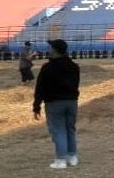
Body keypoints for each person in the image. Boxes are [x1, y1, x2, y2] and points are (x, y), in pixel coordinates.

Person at [32, 39, 80, 169]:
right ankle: (72, 156)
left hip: (54, 102)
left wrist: (36, 106)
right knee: (70, 129)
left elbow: (40, 88)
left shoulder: (47, 67)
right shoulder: (74, 66)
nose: (49, 50)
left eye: (51, 48)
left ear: (55, 50)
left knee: (58, 130)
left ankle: (60, 160)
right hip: (72, 102)